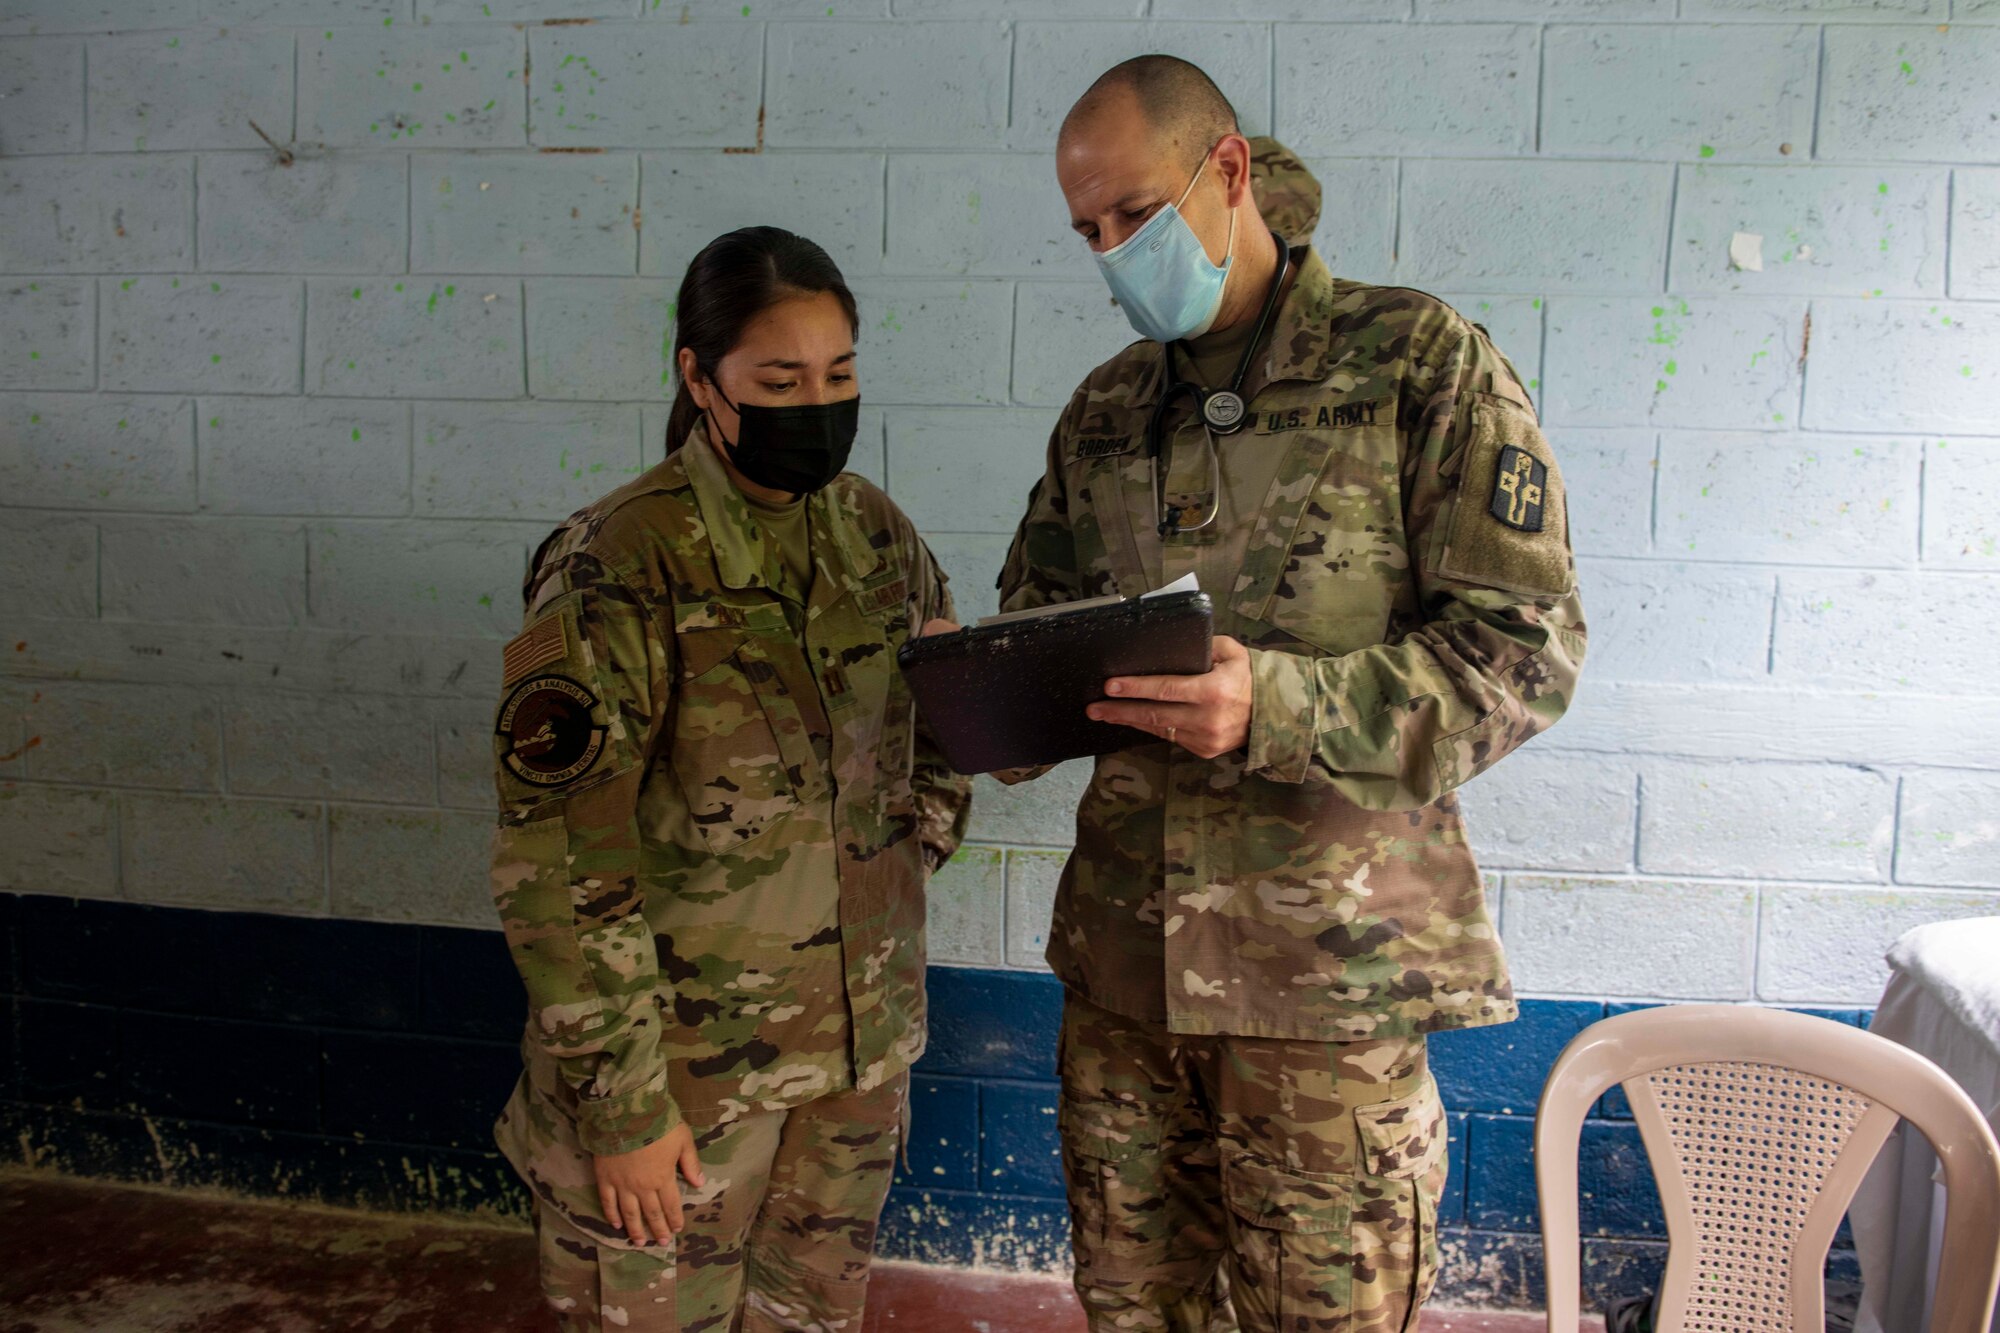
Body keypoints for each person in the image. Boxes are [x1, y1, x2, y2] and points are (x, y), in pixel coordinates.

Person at [987, 57, 1589, 1332]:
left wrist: (1275, 705)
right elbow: (1039, 627)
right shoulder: (1103, 413)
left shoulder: (1415, 365)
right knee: (1132, 1311)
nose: (1108, 253)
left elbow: (1520, 654)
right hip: (1123, 992)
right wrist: (974, 696)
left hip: (1324, 1002)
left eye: (1131, 217)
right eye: (1085, 231)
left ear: (1226, 173)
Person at [487, 225, 972, 1333]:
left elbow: (932, 733)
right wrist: (620, 1110)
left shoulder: (873, 534)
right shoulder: (616, 562)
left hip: (853, 1066)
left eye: (840, 373)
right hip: (681, 1085)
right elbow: (558, 864)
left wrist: (903, 851)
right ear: (699, 380)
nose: (818, 401)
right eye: (780, 378)